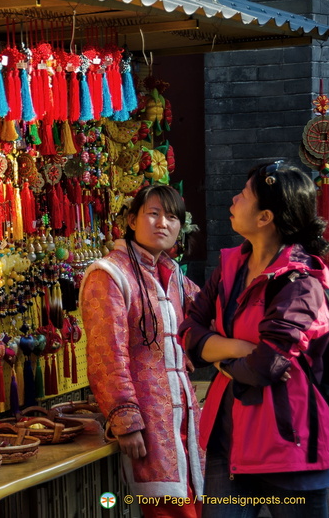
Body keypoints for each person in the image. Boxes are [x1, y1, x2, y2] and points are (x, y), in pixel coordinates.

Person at [179, 161, 329, 518]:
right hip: (229, 442)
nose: (234, 199)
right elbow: (188, 331)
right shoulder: (229, 268)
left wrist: (217, 354)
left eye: (244, 194)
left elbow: (265, 367)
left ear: (265, 216)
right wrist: (237, 349)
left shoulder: (299, 284)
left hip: (288, 448)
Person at [81, 184, 205, 518]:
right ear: (133, 220)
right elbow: (107, 354)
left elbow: (205, 316)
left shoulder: (173, 274)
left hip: (185, 417)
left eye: (173, 217)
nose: (163, 223)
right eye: (153, 213)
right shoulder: (109, 273)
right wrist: (126, 419)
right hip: (148, 421)